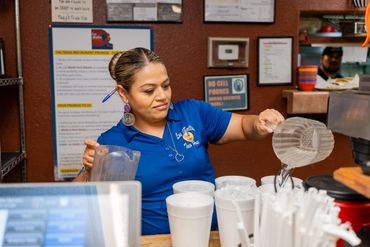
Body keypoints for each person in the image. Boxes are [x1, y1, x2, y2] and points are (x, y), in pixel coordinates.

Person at [74, 47, 284, 235]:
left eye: (165, 86)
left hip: (213, 235)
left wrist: (258, 123)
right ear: (123, 94)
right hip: (156, 241)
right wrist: (89, 172)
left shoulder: (194, 112)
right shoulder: (113, 141)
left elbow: (244, 127)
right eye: (149, 90)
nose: (162, 96)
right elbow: (82, 203)